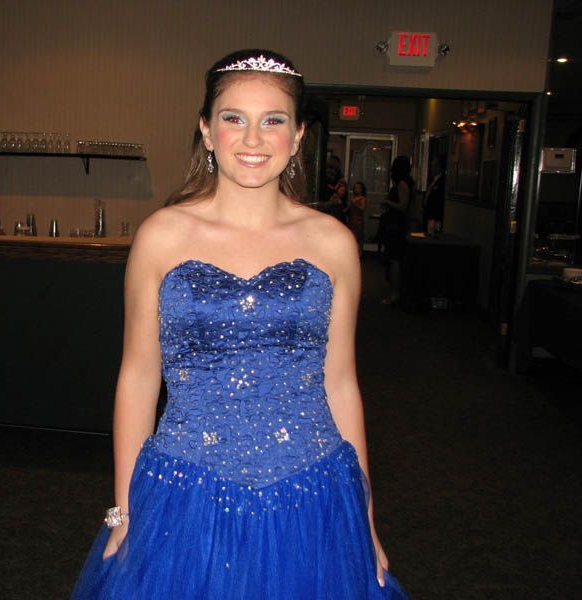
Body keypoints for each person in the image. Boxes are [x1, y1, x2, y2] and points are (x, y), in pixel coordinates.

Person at [72, 49, 408, 599]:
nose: (253, 140)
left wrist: (366, 523)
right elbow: (137, 378)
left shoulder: (333, 244)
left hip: (312, 492)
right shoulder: (162, 236)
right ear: (207, 131)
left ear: (298, 136)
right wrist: (122, 512)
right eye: (234, 118)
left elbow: (341, 383)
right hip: (185, 490)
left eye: (272, 120)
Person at [378, 156, 413, 305]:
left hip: (397, 225)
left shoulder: (402, 183)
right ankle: (395, 291)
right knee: (395, 259)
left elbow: (403, 206)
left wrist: (387, 202)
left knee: (394, 259)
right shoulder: (407, 182)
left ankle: (394, 293)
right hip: (398, 224)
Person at [423, 154, 446, 236]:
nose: (431, 167)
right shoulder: (433, 181)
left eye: (434, 164)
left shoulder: (441, 182)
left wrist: (436, 219)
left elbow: (438, 201)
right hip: (429, 216)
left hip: (434, 218)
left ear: (439, 166)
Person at [348, 181, 367, 253]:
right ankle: (353, 252)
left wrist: (355, 204)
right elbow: (349, 208)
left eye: (359, 188)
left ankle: (360, 253)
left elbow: (362, 208)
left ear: (362, 189)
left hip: (359, 220)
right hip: (352, 219)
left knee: (359, 237)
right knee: (352, 236)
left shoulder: (362, 198)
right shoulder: (353, 198)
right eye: (355, 188)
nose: (357, 190)